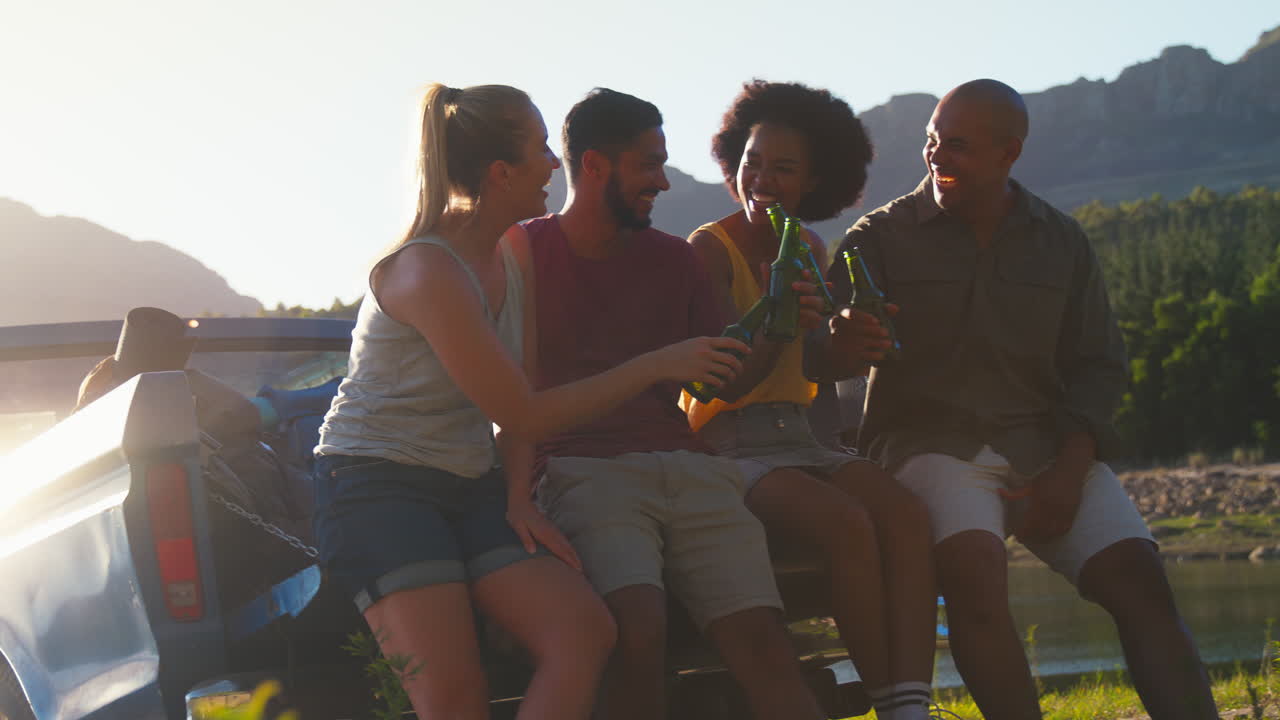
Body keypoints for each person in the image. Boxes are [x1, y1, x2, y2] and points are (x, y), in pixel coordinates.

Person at [312, 83, 748, 720]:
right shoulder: (428, 270)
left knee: (584, 634)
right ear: (500, 172)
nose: (552, 163)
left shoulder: (511, 255)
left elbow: (525, 385)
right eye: (542, 149)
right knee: (455, 700)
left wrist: (518, 497)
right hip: (376, 487)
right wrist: (657, 364)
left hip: (471, 487)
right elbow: (521, 411)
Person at [809, 79, 1218, 720]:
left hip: (1047, 444)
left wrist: (1069, 468)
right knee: (974, 579)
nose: (937, 156)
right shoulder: (876, 237)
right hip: (928, 446)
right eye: (932, 140)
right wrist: (840, 343)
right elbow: (819, 358)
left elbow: (1099, 366)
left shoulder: (1062, 240)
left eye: (958, 145)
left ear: (1009, 153)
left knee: (1141, 581)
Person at [513, 87, 825, 720]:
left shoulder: (675, 259)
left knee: (764, 642)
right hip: (578, 469)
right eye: (648, 165)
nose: (662, 181)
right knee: (639, 628)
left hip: (689, 466)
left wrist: (780, 321)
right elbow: (505, 396)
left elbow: (723, 383)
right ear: (594, 165)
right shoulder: (522, 251)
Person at [681, 79, 937, 720]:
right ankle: (890, 701)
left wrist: (855, 343)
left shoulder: (811, 248)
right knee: (845, 523)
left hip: (799, 436)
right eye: (752, 161)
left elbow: (816, 363)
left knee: (908, 517)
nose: (761, 179)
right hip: (727, 445)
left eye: (783, 168)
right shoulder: (708, 249)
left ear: (813, 181)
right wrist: (781, 321)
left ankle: (911, 700)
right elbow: (722, 379)